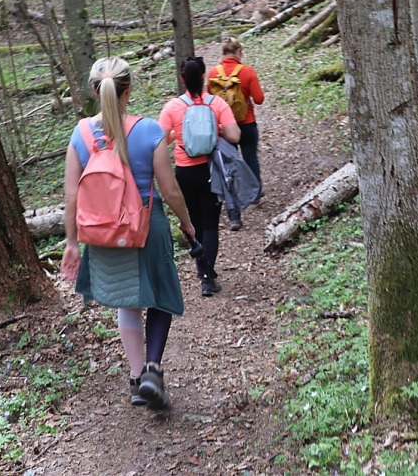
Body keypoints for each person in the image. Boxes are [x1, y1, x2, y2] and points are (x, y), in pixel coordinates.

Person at [61, 56, 196, 410]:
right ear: (129, 90)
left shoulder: (81, 134)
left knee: (128, 302)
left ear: (94, 91)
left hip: (103, 234)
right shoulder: (149, 130)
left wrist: (72, 243)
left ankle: (137, 380)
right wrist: (186, 222)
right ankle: (152, 369)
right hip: (146, 228)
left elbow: (72, 194)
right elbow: (169, 190)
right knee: (161, 296)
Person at [158, 56, 240, 297]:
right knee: (211, 224)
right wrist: (219, 129)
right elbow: (235, 136)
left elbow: (159, 140)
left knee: (192, 222)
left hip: (184, 172)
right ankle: (207, 278)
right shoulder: (216, 104)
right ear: (204, 76)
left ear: (182, 79)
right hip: (211, 170)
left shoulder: (173, 107)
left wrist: (176, 134)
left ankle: (203, 271)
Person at [207, 36, 265, 230]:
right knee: (250, 159)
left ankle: (233, 204)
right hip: (247, 125)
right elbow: (259, 99)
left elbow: (209, 101)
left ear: (223, 53)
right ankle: (255, 193)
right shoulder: (247, 72)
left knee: (229, 165)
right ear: (238, 52)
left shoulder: (214, 73)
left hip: (224, 129)